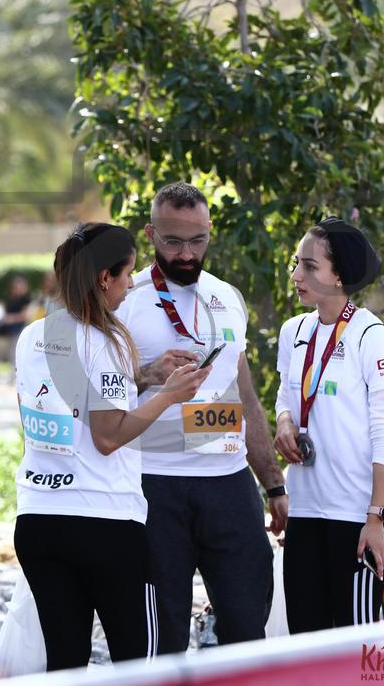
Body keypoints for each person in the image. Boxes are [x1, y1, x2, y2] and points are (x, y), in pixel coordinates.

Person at [13, 222, 211, 671]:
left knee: (65, 663)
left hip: (39, 518)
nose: (130, 286)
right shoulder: (106, 339)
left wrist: (143, 378)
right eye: (126, 276)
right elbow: (107, 436)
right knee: (139, 665)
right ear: (105, 278)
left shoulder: (32, 336)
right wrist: (169, 395)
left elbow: (62, 407)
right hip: (105, 523)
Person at [117, 182, 288, 653]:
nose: (186, 254)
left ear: (210, 230)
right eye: (173, 242)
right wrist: (147, 374)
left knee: (247, 622)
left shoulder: (227, 296)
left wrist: (273, 485)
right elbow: (96, 390)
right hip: (153, 481)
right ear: (150, 234)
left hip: (228, 481)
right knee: (161, 632)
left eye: (198, 240)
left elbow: (245, 396)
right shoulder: (125, 298)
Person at [274, 217, 384, 632]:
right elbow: (286, 395)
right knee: (306, 640)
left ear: (339, 276)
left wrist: (376, 518)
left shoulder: (372, 337)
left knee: (357, 646)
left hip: (358, 514)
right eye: (297, 263)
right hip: (306, 508)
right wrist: (284, 422)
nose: (296, 275)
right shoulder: (294, 331)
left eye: (310, 266)